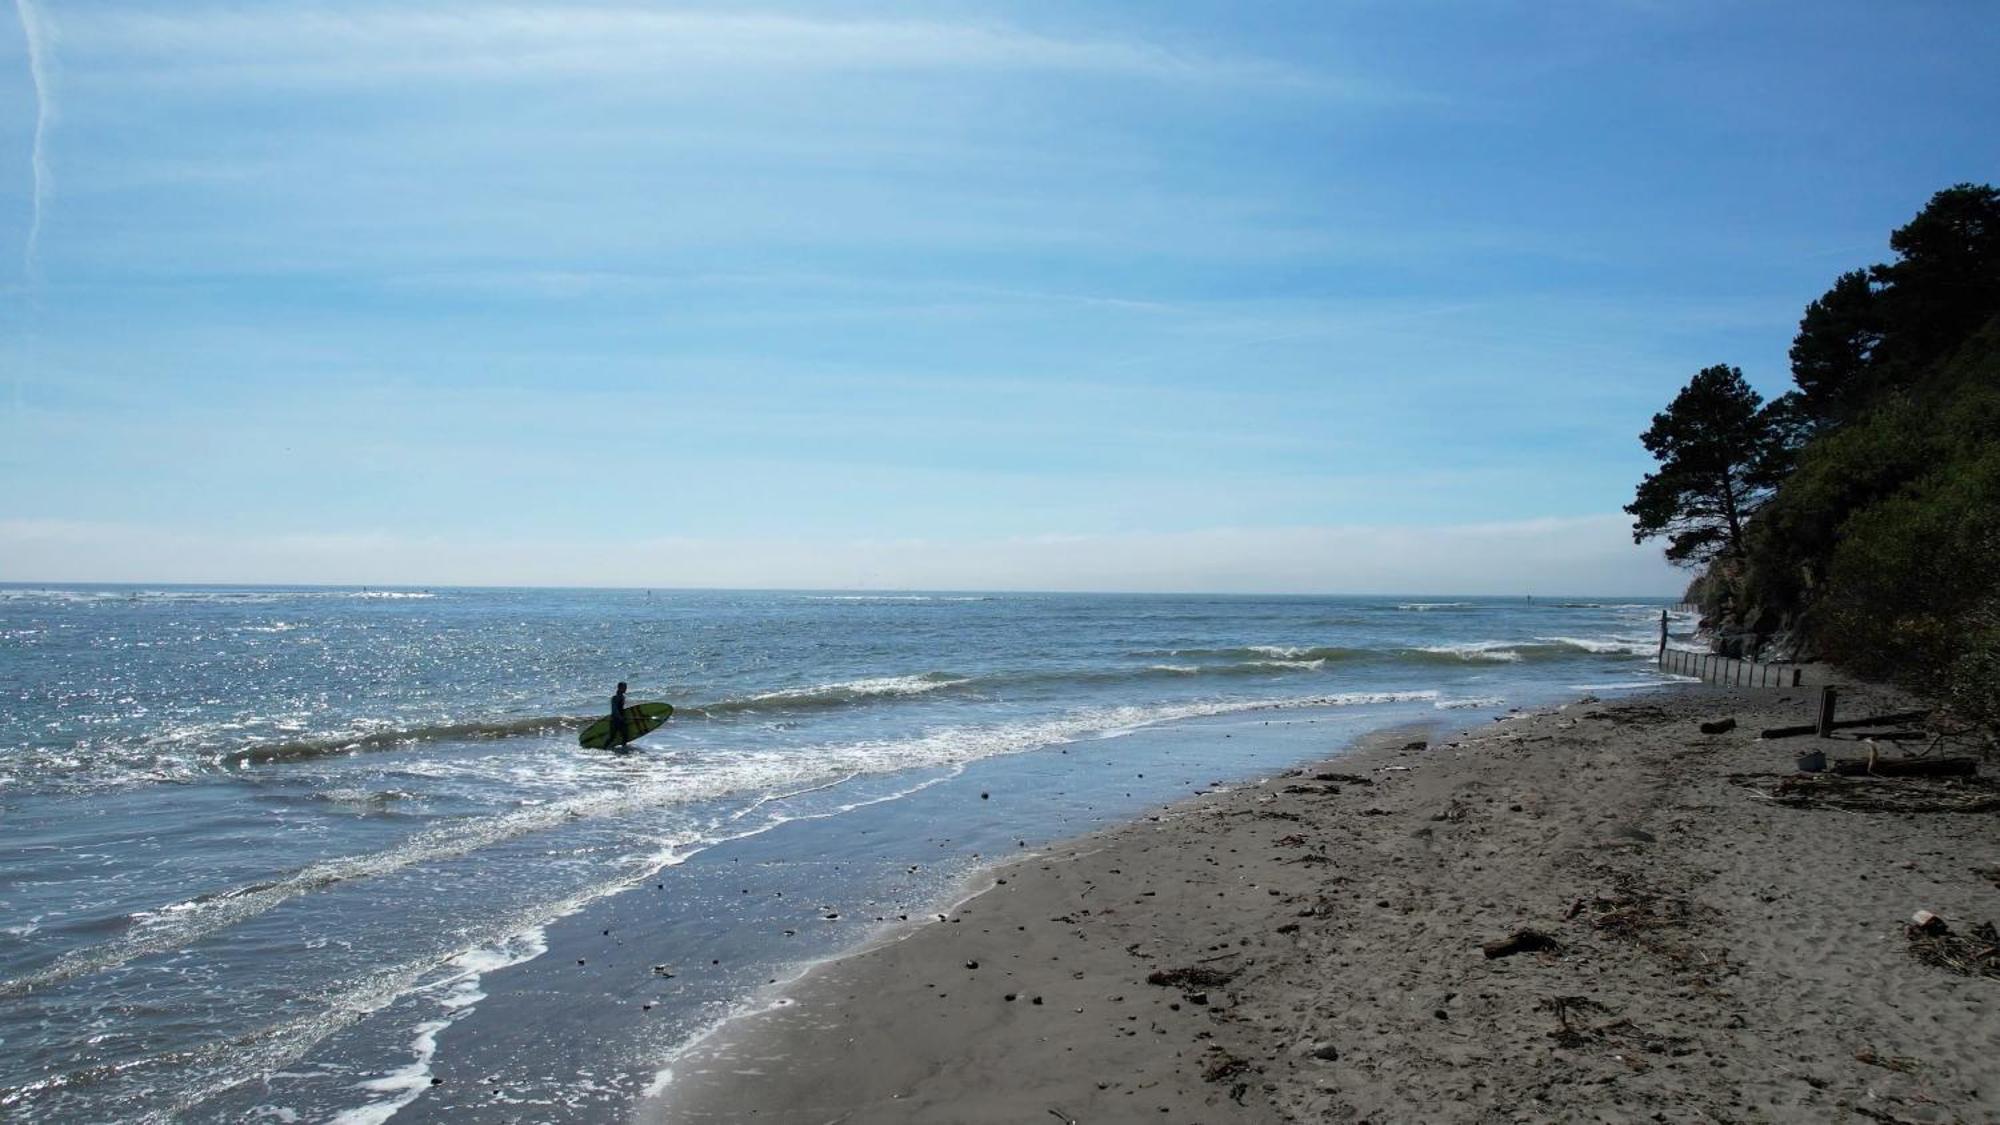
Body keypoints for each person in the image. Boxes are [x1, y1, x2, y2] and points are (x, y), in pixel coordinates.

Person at [608, 681, 632, 753]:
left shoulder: (622, 697)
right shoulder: (615, 698)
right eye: (624, 687)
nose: (626, 689)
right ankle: (607, 749)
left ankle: (621, 750)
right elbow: (614, 710)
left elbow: (621, 709)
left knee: (622, 736)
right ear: (620, 688)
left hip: (619, 719)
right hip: (616, 720)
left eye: (626, 687)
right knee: (616, 736)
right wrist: (620, 717)